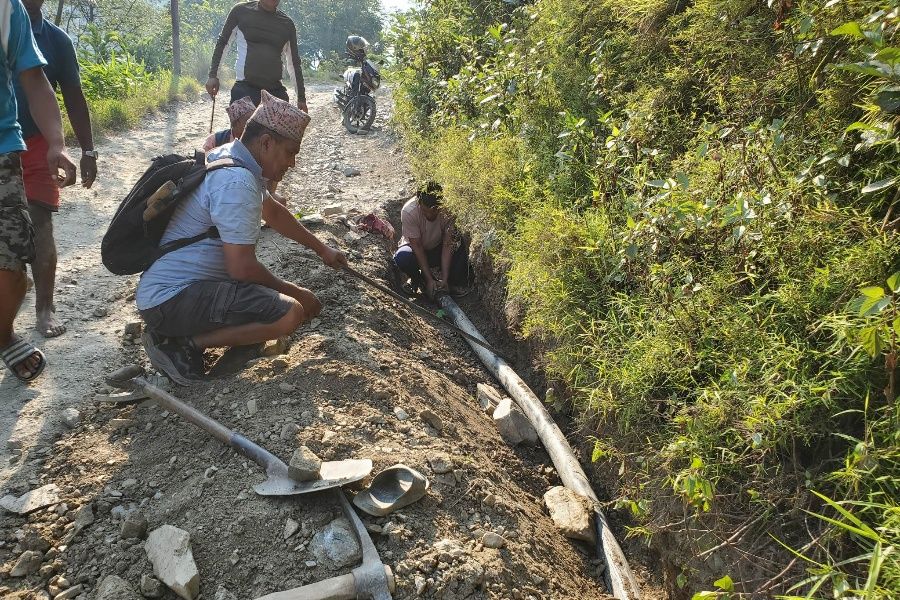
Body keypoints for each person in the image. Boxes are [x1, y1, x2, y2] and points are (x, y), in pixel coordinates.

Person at [136, 91, 345, 386]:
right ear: (266, 143)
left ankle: (182, 335)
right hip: (170, 299)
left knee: (271, 302)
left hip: (175, 293)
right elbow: (241, 269)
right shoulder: (237, 181)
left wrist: (322, 249)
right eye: (290, 152)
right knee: (289, 314)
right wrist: (297, 293)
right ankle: (181, 345)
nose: (293, 163)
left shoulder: (233, 159)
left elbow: (273, 213)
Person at [0, 0, 76, 382]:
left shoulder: (9, 13)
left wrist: (59, 143)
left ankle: (37, 313)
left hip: (12, 149)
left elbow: (43, 84)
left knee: (22, 252)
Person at [14, 0, 96, 338]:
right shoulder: (5, 24)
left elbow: (73, 97)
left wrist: (86, 150)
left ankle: (45, 310)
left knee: (40, 225)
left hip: (37, 142)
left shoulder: (56, 40)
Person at [206, 0, 308, 113]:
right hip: (245, 89)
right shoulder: (240, 11)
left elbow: (294, 63)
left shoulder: (287, 24)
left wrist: (301, 98)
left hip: (275, 92)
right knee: (241, 129)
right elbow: (223, 42)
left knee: (279, 130)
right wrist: (213, 75)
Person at [204, 95, 287, 209]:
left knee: (279, 203)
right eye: (249, 121)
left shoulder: (262, 142)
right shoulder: (215, 140)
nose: (253, 126)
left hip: (254, 190)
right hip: (220, 191)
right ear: (236, 123)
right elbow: (203, 169)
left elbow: (270, 175)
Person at [392, 182, 470, 301]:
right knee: (403, 257)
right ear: (419, 203)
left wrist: (445, 279)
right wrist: (429, 280)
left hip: (438, 249)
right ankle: (418, 280)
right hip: (416, 250)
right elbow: (417, 246)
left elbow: (447, 244)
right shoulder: (409, 211)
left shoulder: (449, 209)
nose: (429, 215)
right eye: (425, 211)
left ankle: (449, 283)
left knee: (462, 247)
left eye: (433, 211)